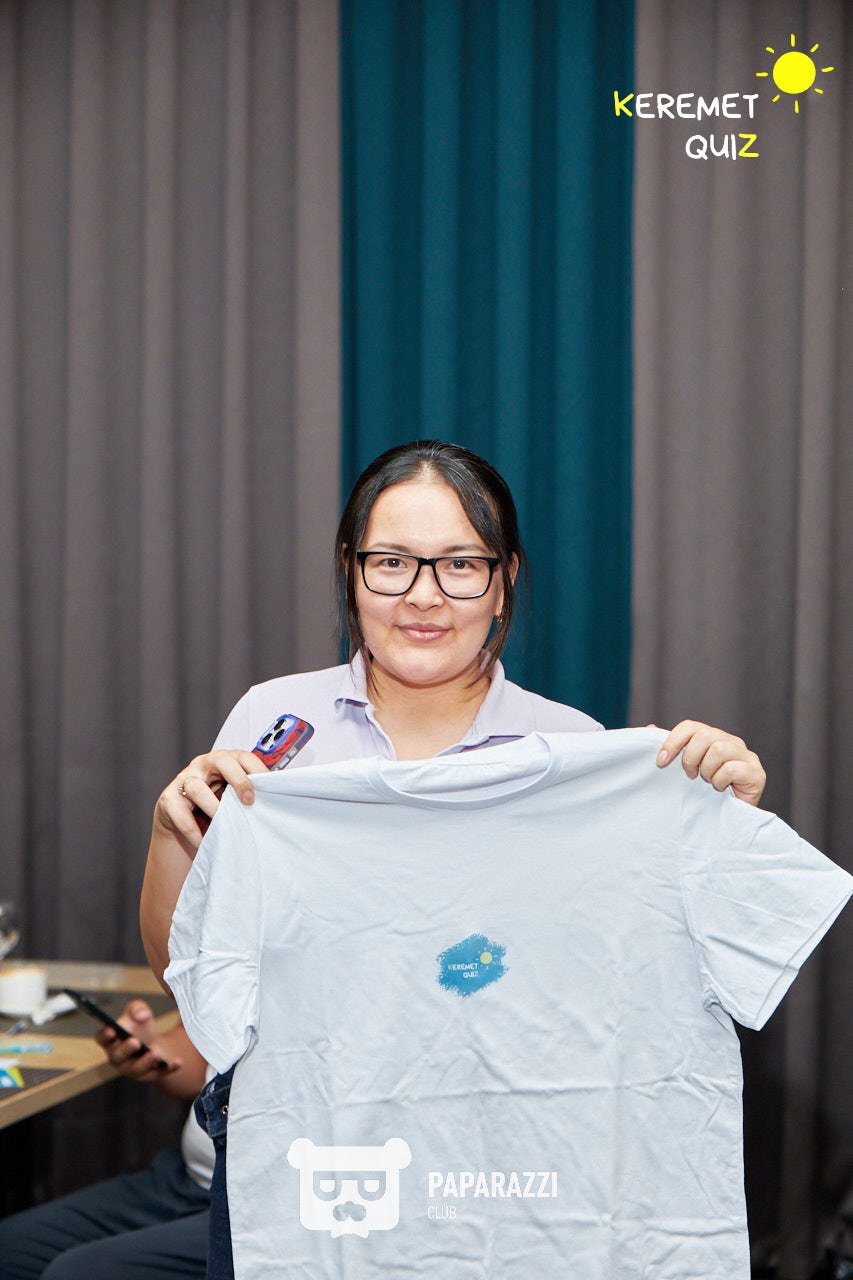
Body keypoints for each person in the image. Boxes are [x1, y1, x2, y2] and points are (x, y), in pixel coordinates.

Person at [139, 439, 767, 1276]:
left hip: (502, 1172)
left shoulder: (574, 751)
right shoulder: (274, 723)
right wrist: (171, 833)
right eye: (391, 562)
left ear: (505, 580)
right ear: (349, 569)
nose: (423, 596)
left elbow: (636, 974)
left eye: (461, 565)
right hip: (307, 1162)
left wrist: (718, 826)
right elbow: (187, 972)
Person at [0, 1003, 211, 1280]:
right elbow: (203, 1062)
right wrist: (155, 1050)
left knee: (74, 1273)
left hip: (252, 1202)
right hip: (190, 1182)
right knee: (8, 1250)